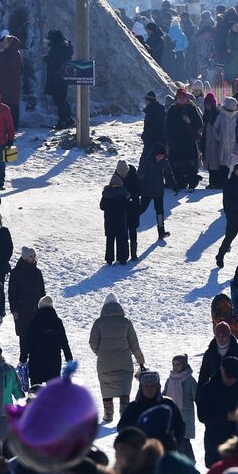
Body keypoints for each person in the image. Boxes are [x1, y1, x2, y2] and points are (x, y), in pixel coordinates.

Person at [90, 292, 146, 423]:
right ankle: (124, 414)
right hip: (124, 363)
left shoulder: (98, 323)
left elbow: (92, 343)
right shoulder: (126, 322)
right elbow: (134, 344)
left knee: (106, 386)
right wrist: (140, 360)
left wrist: (101, 353)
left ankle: (108, 414)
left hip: (105, 363)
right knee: (124, 388)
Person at [22, 295, 72, 387]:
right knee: (53, 392)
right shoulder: (57, 322)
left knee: (35, 392)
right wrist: (69, 358)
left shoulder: (34, 322)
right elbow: (64, 342)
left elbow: (27, 342)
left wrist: (23, 358)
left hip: (36, 362)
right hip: (53, 363)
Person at [8, 247, 45, 360]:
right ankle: (23, 362)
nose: (33, 258)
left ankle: (35, 361)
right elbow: (12, 292)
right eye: (30, 256)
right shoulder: (16, 273)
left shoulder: (37, 272)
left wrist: (44, 309)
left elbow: (42, 291)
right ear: (25, 257)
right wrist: (14, 309)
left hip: (36, 310)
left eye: (34, 256)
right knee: (24, 338)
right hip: (22, 311)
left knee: (36, 337)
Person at [100, 173, 134, 265]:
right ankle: (122, 259)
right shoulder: (123, 194)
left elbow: (102, 207)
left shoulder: (106, 194)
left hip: (109, 221)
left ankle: (109, 259)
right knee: (121, 240)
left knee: (110, 240)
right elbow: (128, 206)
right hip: (121, 221)